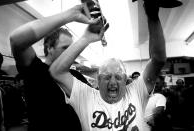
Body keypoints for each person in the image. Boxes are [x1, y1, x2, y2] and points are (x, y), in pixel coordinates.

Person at [50, 0, 166, 130]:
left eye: (118, 77)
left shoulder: (135, 92)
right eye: (106, 77)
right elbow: (56, 72)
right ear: (98, 80)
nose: (112, 82)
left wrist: (153, 16)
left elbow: (158, 60)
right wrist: (86, 38)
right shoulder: (85, 97)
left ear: (125, 79)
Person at [10, 4, 99, 131]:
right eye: (64, 48)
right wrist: (69, 15)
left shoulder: (76, 76)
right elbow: (16, 40)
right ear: (49, 48)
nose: (71, 52)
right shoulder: (35, 71)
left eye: (72, 47)